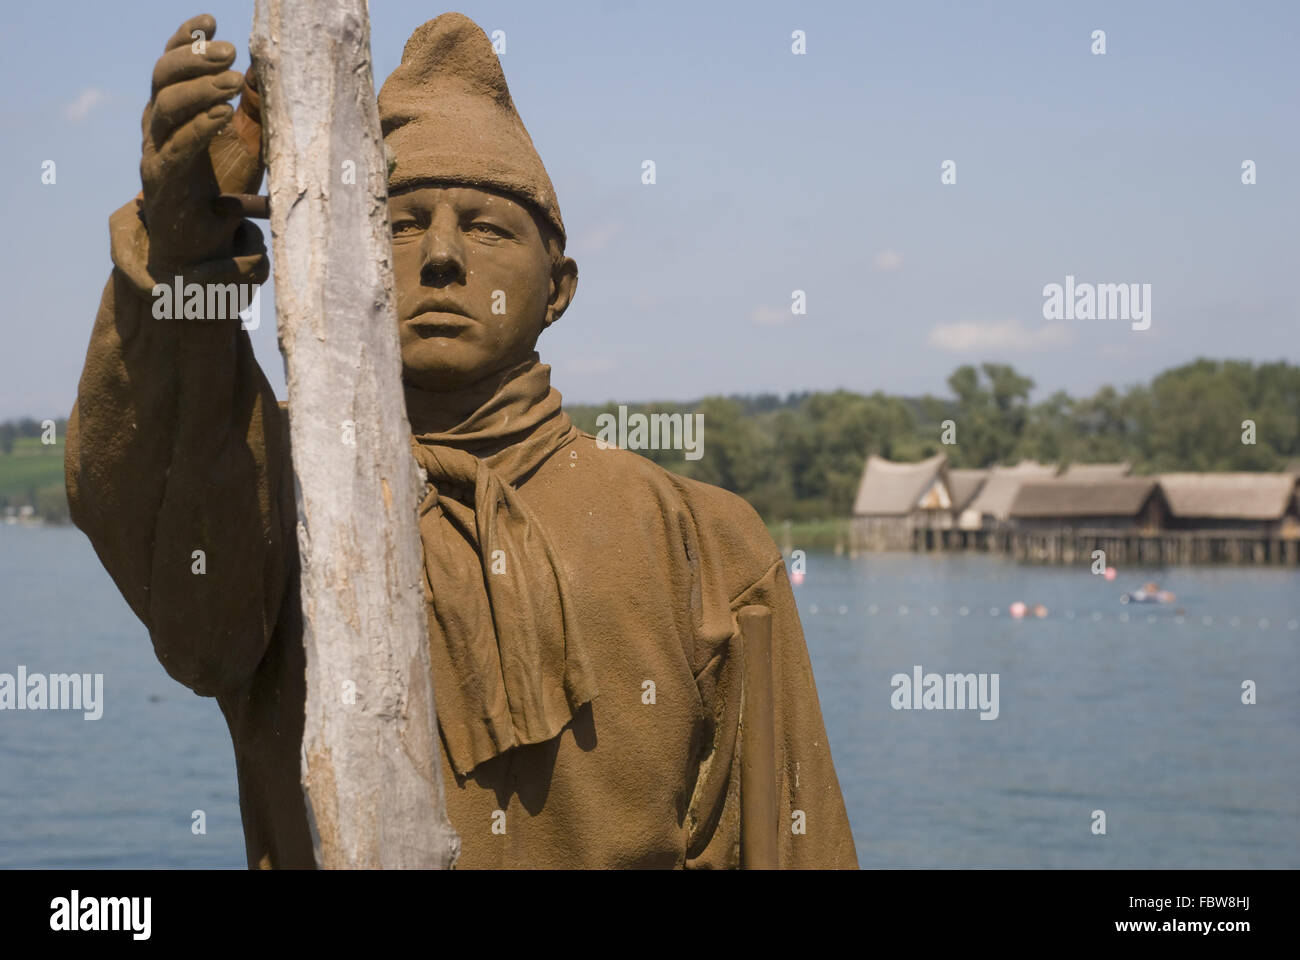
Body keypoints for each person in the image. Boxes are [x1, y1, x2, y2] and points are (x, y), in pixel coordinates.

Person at [66, 11, 857, 869]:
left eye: (487, 227)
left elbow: (789, 840)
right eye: (399, 224)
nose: (441, 256)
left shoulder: (703, 541)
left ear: (559, 289)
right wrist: (179, 251)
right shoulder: (284, 501)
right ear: (341, 252)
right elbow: (190, 611)